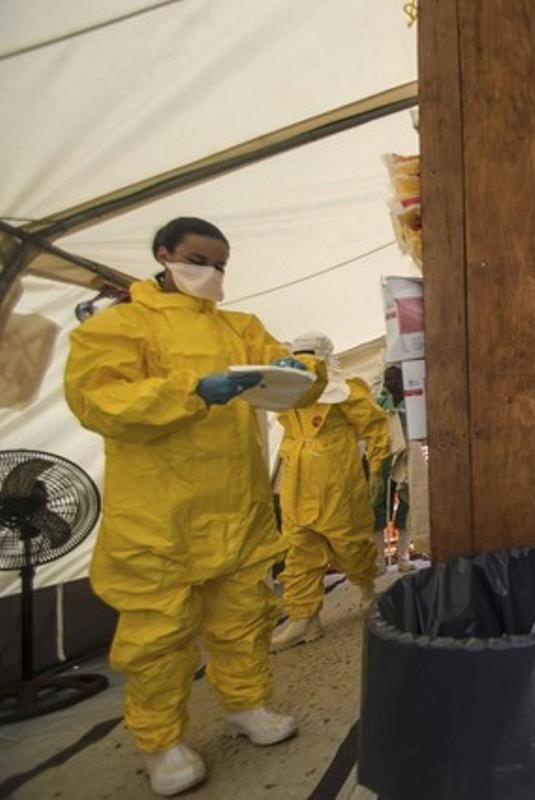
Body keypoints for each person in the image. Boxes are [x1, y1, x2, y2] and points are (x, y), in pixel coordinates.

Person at [63, 217, 326, 796]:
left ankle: (247, 705)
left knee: (244, 618)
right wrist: (189, 391)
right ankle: (161, 742)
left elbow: (290, 372)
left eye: (222, 264)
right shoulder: (119, 327)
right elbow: (100, 402)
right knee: (158, 636)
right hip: (160, 515)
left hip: (237, 506)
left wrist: (303, 369)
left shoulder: (240, 327)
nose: (213, 274)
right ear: (164, 254)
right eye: (201, 260)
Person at [270, 332, 391, 651]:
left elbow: (376, 424)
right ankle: (304, 618)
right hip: (296, 477)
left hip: (335, 477)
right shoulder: (287, 391)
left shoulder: (345, 389)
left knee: (348, 541)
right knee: (298, 547)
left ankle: (366, 590)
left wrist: (378, 466)